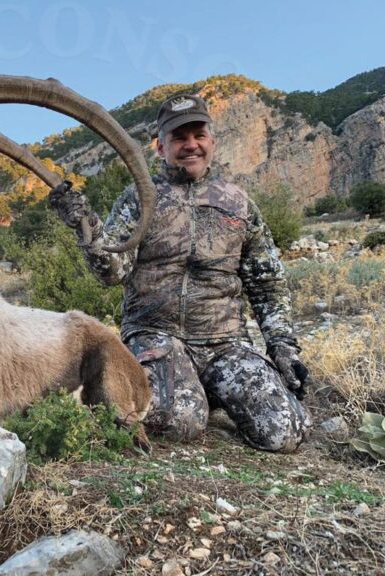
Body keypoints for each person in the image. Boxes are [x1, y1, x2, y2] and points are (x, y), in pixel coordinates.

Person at [49, 94, 311, 452]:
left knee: (285, 432)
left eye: (198, 135)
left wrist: (283, 347)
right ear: (161, 147)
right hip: (157, 337)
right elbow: (113, 270)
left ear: (212, 142)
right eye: (178, 137)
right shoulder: (138, 200)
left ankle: (206, 390)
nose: (191, 145)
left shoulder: (237, 203)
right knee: (178, 424)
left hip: (226, 344)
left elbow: (267, 283)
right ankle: (138, 388)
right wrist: (84, 225)